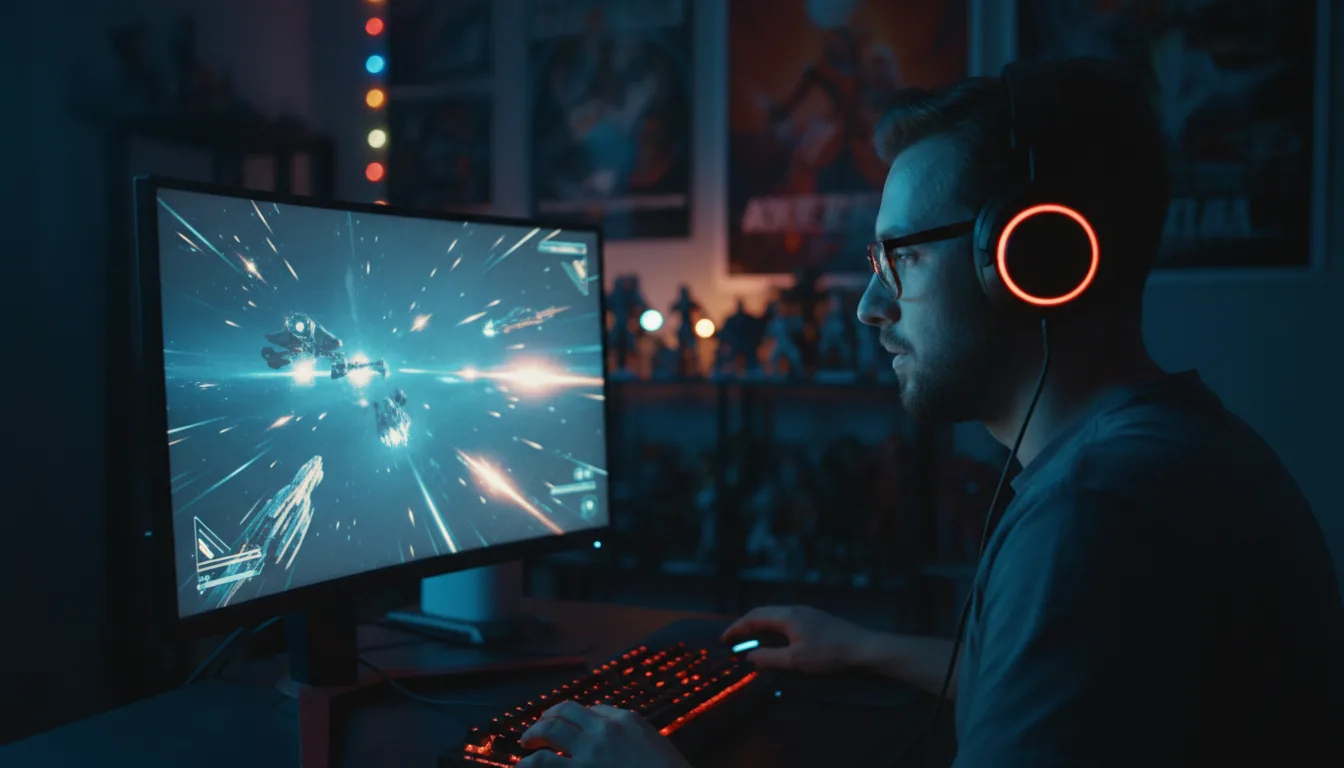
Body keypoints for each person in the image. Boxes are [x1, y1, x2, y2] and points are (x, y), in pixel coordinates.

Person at [513, 57, 1344, 767]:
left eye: (901, 259)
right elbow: (1070, 679)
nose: (870, 306)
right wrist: (871, 646)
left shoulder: (1095, 514)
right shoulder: (1165, 452)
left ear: (1030, 256)